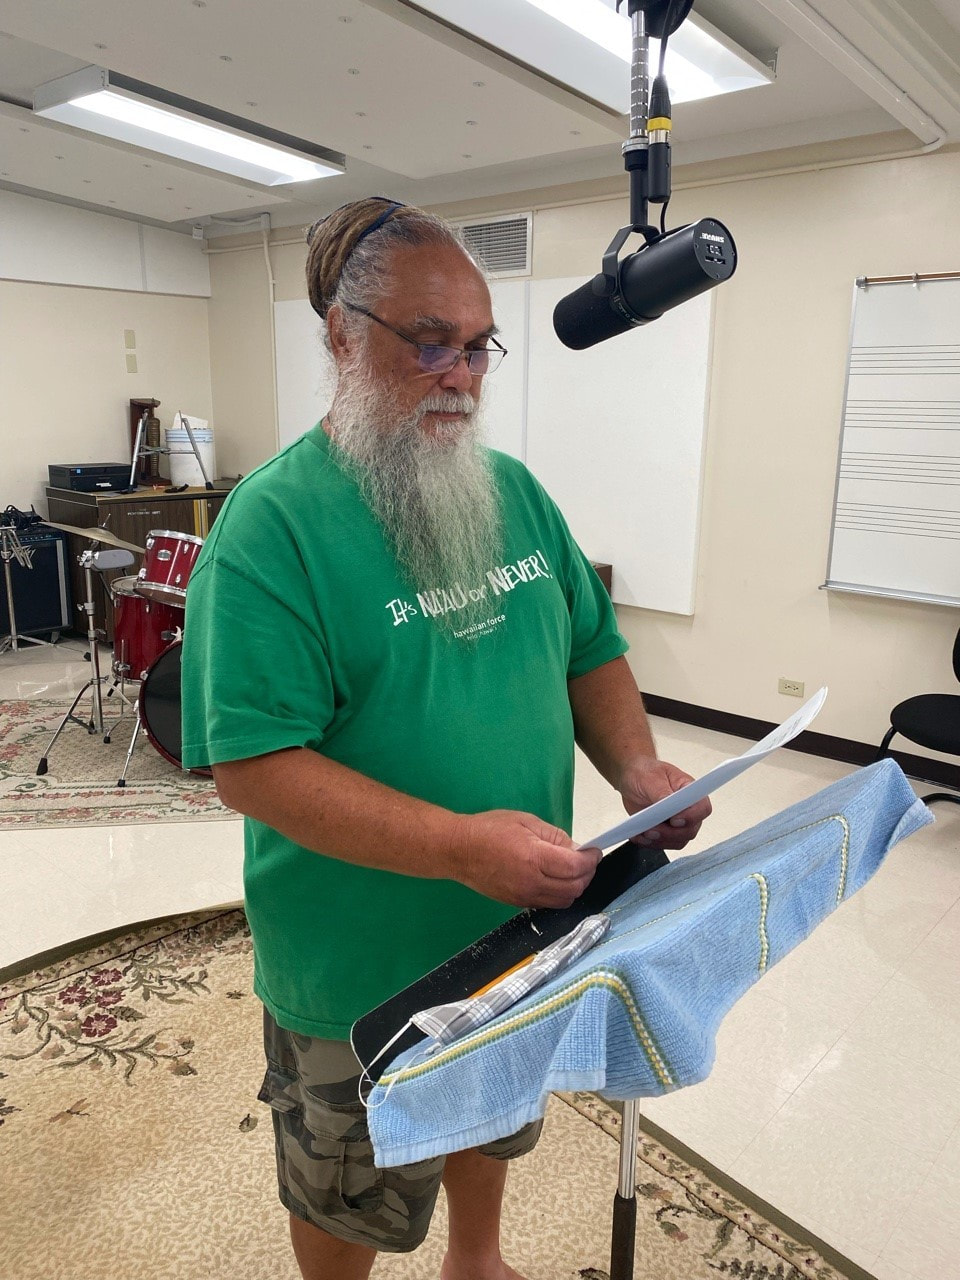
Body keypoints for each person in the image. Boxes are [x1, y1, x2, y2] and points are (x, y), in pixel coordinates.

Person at [180, 196, 712, 1280]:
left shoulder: (510, 491)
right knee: (348, 1186)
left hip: (518, 920)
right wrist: (456, 844)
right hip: (357, 969)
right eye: (427, 342)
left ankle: (478, 1257)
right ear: (340, 332)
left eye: (477, 347)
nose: (460, 373)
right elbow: (256, 768)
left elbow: (590, 648)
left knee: (493, 1108)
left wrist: (637, 766)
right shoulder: (272, 528)